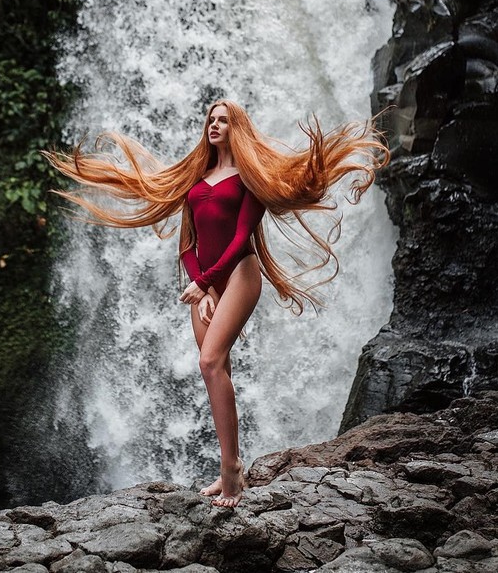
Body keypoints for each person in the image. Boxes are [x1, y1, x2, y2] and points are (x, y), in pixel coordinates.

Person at [43, 99, 388, 508]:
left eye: (223, 120)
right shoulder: (196, 178)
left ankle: (230, 472)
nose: (215, 125)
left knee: (209, 361)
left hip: (239, 274)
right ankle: (231, 465)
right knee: (215, 369)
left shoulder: (250, 178)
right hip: (203, 285)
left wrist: (205, 282)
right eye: (211, 119)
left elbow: (241, 238)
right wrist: (202, 286)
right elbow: (186, 242)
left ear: (236, 128)